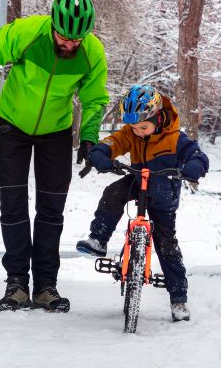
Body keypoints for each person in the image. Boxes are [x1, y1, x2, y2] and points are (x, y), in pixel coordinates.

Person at [0, 0, 109, 313]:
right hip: (13, 127)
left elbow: (94, 99)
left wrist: (89, 136)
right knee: (14, 204)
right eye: (63, 37)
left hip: (57, 133)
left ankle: (46, 285)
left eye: (76, 39)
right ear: (52, 24)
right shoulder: (26, 33)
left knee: (51, 210)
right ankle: (17, 282)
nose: (69, 44)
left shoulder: (93, 52)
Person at [76, 84, 209, 322]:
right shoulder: (131, 133)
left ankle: (178, 298)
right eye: (134, 128)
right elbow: (112, 142)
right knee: (113, 193)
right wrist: (101, 154)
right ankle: (98, 238)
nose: (138, 132)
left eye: (143, 127)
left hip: (164, 188)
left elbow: (196, 154)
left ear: (158, 116)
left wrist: (194, 167)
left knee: (166, 244)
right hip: (138, 180)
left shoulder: (175, 139)